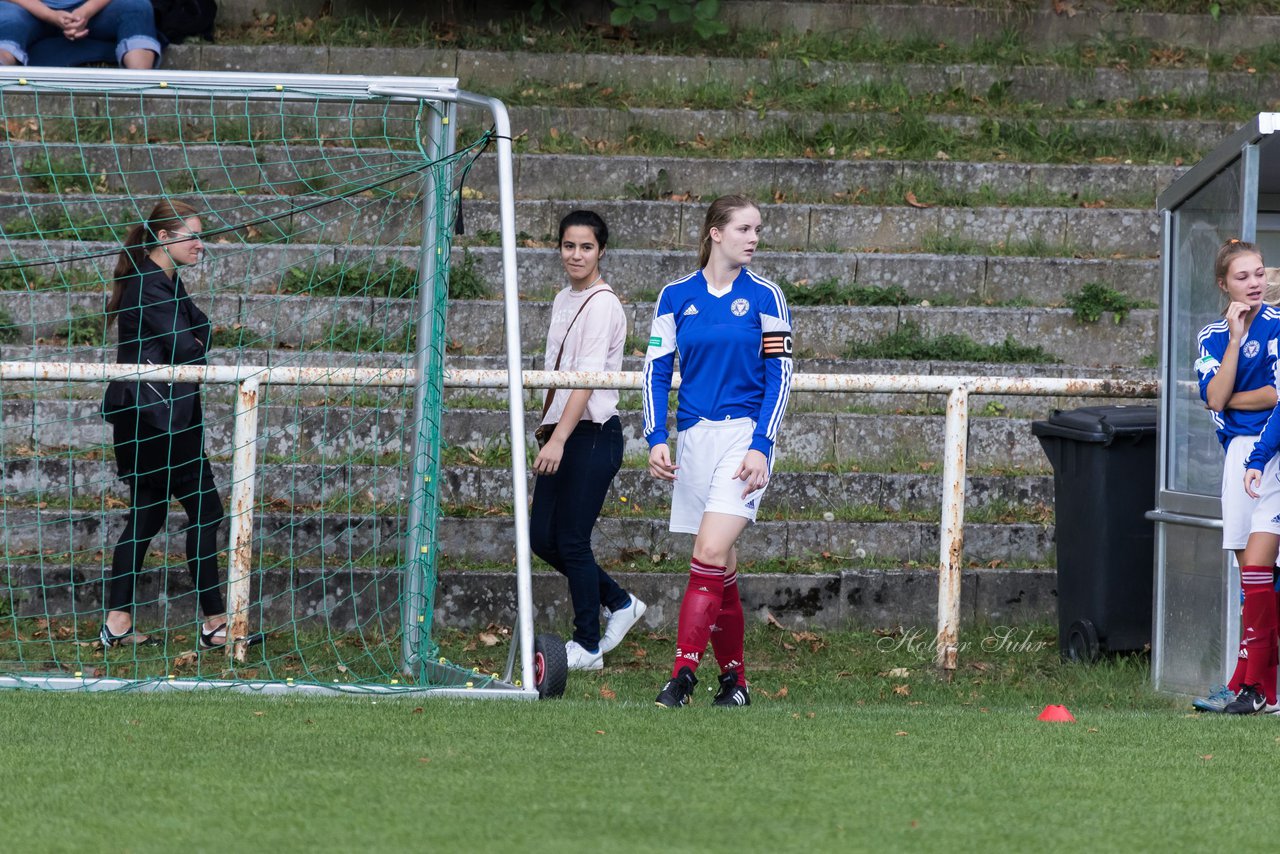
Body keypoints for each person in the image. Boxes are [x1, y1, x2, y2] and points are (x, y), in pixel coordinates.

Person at [642, 194, 792, 708]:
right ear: (715, 233)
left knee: (706, 553)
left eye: (757, 230)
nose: (753, 238)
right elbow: (656, 370)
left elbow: (781, 375)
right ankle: (736, 684)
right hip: (694, 440)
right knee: (720, 567)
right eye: (744, 229)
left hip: (741, 439)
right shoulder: (675, 296)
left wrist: (761, 445)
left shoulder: (768, 296)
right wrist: (656, 436)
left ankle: (682, 675)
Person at [100, 200, 257, 652]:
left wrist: (194, 337)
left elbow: (200, 330)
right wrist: (193, 338)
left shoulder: (166, 280)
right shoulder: (147, 284)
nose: (199, 244)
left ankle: (118, 622)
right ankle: (214, 623)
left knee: (147, 517)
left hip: (167, 419)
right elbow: (190, 346)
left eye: (200, 234)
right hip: (153, 421)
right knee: (203, 513)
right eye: (191, 235)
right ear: (164, 238)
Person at [528, 210, 647, 671]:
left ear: (601, 251)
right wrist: (552, 433)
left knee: (572, 539)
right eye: (568, 245)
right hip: (563, 432)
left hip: (592, 434)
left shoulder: (603, 304)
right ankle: (619, 601)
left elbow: (586, 381)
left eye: (586, 247)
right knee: (544, 538)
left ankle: (588, 645)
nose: (576, 255)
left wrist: (558, 440)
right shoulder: (564, 298)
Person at [1192, 239, 1280, 713]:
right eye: (1243, 276)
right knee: (1254, 578)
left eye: (1259, 273)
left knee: (1264, 573)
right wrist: (1233, 339)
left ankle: (1255, 687)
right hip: (1240, 455)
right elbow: (1213, 398)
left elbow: (1274, 395)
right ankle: (1252, 686)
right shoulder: (1211, 336)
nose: (1254, 283)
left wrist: (1231, 399)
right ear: (1223, 284)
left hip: (1274, 451)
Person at [0, 0, 162, 69]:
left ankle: (140, 91)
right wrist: (50, 15)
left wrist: (85, 12)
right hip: (28, 10)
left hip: (94, 11)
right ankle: (5, 78)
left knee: (137, 7)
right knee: (9, 20)